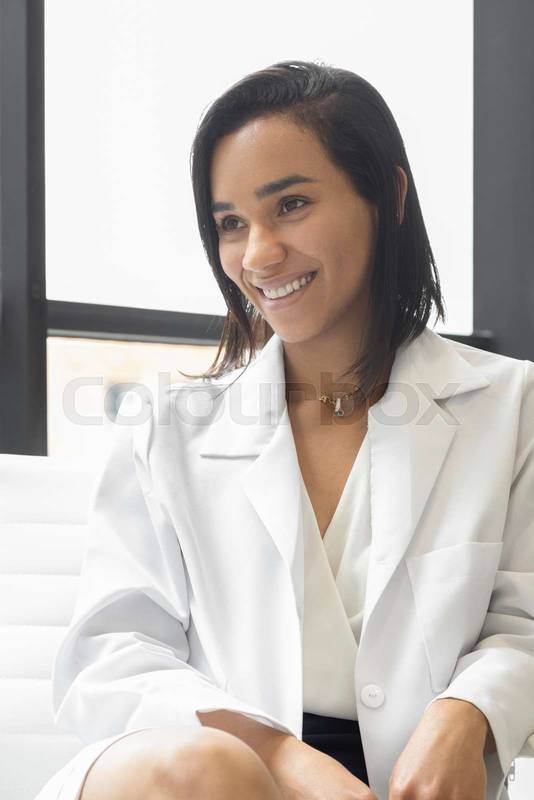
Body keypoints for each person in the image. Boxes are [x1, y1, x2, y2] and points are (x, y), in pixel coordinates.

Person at [33, 60, 534, 800]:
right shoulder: (167, 430)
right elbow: (109, 657)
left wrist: (468, 712)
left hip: (409, 783)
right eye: (231, 224)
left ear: (388, 196)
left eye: (291, 204)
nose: (258, 255)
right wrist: (279, 758)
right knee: (211, 769)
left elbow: (523, 621)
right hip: (201, 774)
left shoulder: (511, 406)